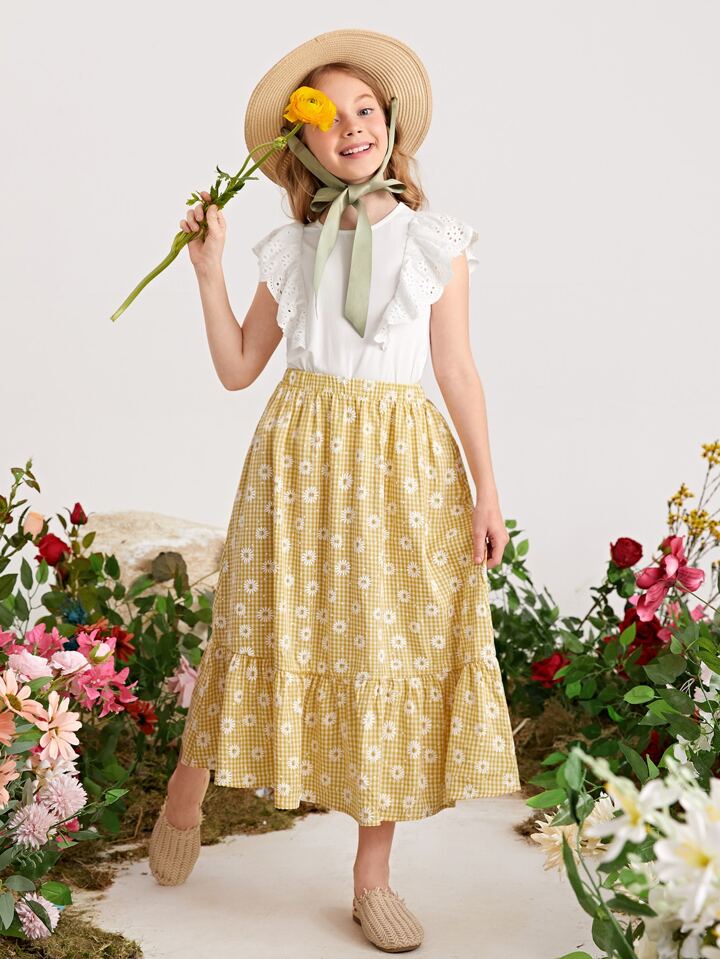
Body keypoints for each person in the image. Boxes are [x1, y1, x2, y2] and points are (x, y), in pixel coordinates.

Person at [148, 28, 521, 953]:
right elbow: (239, 367)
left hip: (401, 466)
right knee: (257, 621)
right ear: (301, 142)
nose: (353, 127)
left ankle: (371, 879)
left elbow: (458, 370)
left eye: (365, 109)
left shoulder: (434, 241)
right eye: (331, 115)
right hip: (299, 458)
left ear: (390, 124)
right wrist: (208, 273)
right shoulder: (291, 245)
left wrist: (488, 490)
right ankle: (189, 783)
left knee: (384, 647)